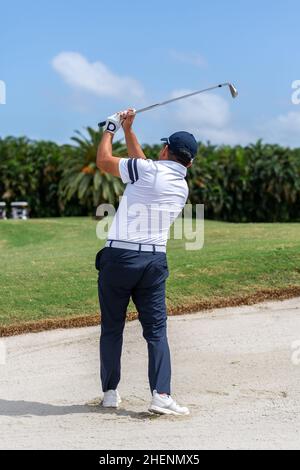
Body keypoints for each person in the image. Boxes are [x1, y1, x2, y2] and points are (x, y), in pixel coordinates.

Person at [96, 109, 198, 416]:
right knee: (156, 331)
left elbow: (104, 161)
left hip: (119, 258)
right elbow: (143, 166)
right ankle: (161, 394)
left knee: (112, 327)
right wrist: (130, 131)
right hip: (153, 261)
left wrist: (111, 128)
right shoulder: (181, 186)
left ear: (165, 150)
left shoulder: (147, 171)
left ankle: (111, 393)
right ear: (189, 162)